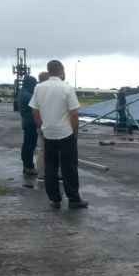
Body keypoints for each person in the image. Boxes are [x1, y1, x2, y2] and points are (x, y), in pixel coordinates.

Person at [29, 60, 88, 209]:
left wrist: (41, 127)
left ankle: (55, 199)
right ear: (61, 70)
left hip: (48, 133)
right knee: (69, 167)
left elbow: (34, 111)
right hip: (65, 133)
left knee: (50, 167)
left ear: (48, 71)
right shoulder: (67, 88)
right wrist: (75, 132)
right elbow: (74, 114)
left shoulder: (39, 87)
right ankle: (73, 199)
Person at [19, 75, 39, 176]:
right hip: (30, 123)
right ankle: (29, 167)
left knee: (27, 145)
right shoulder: (27, 95)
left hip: (27, 122)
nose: (35, 86)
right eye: (34, 84)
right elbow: (38, 105)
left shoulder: (24, 92)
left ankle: (27, 166)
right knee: (30, 146)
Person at [35, 72, 49, 180]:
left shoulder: (38, 89)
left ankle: (41, 173)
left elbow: (35, 110)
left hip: (41, 125)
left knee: (42, 150)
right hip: (46, 125)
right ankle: (44, 173)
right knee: (46, 150)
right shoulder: (42, 90)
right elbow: (36, 110)